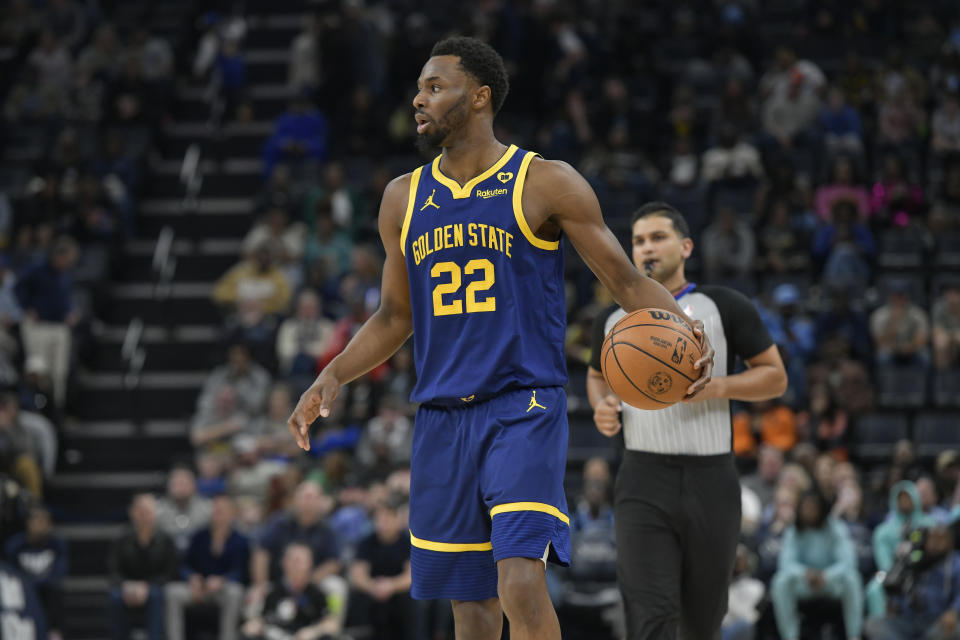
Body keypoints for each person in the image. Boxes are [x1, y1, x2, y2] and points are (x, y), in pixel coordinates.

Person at [287, 37, 715, 640]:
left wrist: (684, 329)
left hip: (524, 406)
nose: (419, 99)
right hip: (440, 418)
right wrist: (330, 375)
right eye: (419, 88)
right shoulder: (402, 198)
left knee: (518, 581)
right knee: (473, 610)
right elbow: (392, 317)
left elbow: (623, 279)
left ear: (480, 97)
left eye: (436, 87)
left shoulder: (545, 181)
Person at [587, 202, 786, 639]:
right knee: (650, 614)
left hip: (711, 478)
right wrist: (603, 405)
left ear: (686, 246)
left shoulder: (723, 305)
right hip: (642, 477)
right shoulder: (614, 318)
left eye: (657, 237)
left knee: (702, 622)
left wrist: (719, 387)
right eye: (638, 241)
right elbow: (596, 376)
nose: (646, 248)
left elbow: (775, 377)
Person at [770, 490, 863, 640]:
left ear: (821, 509)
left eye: (813, 507)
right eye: (805, 507)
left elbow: (848, 562)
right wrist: (805, 573)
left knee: (852, 579)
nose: (809, 511)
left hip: (830, 583)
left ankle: (854, 635)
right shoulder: (794, 529)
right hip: (805, 583)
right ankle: (790, 636)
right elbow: (786, 563)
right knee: (780, 581)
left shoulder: (835, 527)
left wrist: (826, 575)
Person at [165, 494, 248, 640]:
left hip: (222, 590)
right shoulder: (199, 536)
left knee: (236, 592)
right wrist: (191, 577)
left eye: (222, 511)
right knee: (172, 592)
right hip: (198, 589)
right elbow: (184, 565)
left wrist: (222, 580)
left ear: (231, 514)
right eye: (215, 510)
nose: (218, 514)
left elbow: (240, 572)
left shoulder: (240, 540)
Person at [108, 493, 179, 640]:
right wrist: (126, 585)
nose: (144, 516)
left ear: (155, 514)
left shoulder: (165, 539)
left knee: (156, 595)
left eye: (148, 512)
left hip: (154, 587)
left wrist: (147, 586)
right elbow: (114, 571)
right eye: (140, 511)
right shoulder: (121, 539)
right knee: (115, 597)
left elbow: (170, 573)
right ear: (132, 513)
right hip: (128, 586)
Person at [241, 543, 340, 640]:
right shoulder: (272, 591)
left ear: (310, 564)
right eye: (293, 560)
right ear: (284, 562)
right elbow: (261, 618)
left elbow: (332, 624)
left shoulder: (318, 594)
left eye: (301, 561)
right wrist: (255, 624)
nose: (296, 566)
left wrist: (315, 631)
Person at [349, 497, 413, 640]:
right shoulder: (366, 542)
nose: (383, 521)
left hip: (398, 591)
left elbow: (411, 575)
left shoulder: (407, 542)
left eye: (388, 517)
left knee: (412, 598)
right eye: (379, 517)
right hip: (372, 590)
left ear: (398, 520)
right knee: (357, 596)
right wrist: (373, 587)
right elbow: (358, 573)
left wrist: (391, 585)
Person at [3, 506, 68, 639]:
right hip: (22, 590)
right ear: (28, 523)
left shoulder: (57, 544)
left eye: (44, 521)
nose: (40, 525)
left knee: (54, 590)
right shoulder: (15, 545)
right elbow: (10, 573)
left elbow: (60, 571)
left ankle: (54, 631)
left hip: (47, 589)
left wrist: (37, 582)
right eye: (37, 521)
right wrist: (28, 585)